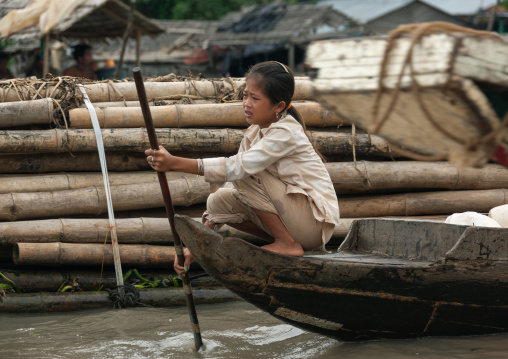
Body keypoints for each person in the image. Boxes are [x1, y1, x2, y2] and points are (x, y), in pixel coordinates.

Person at [145, 61, 340, 276]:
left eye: (255, 98)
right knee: (217, 199)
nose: (246, 103)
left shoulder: (287, 132)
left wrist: (175, 163)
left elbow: (238, 169)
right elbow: (232, 184)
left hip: (313, 223)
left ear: (279, 106)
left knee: (244, 171)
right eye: (245, 95)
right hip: (294, 221)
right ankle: (284, 240)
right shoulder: (253, 135)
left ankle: (286, 243)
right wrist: (196, 246)